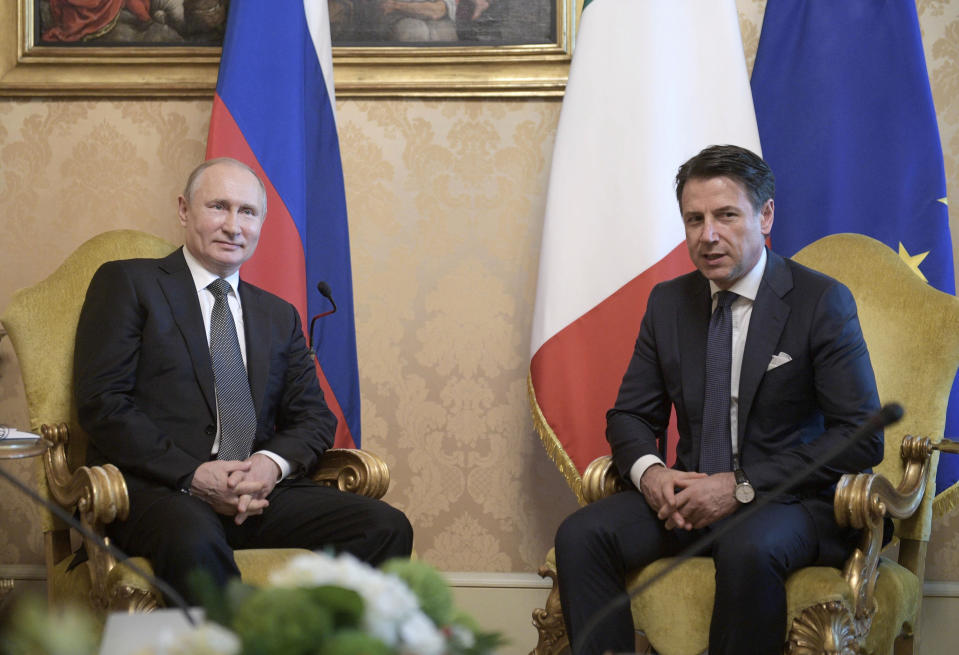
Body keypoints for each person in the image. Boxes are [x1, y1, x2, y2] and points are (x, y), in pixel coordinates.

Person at [553, 145, 883, 655]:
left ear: (765, 215)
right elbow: (630, 415)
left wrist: (740, 488)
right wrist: (653, 475)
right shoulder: (669, 302)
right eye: (694, 219)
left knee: (748, 545)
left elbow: (860, 436)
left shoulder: (820, 302)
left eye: (726, 216)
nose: (708, 235)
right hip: (687, 499)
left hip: (786, 504)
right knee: (581, 535)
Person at [75, 157, 413, 603]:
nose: (233, 226)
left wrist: (269, 466)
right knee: (193, 538)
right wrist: (193, 475)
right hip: (163, 491)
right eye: (218, 206)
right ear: (184, 210)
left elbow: (313, 417)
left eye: (247, 212)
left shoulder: (278, 315)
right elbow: (104, 403)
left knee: (386, 527)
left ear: (260, 224)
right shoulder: (129, 283)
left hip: (257, 494)